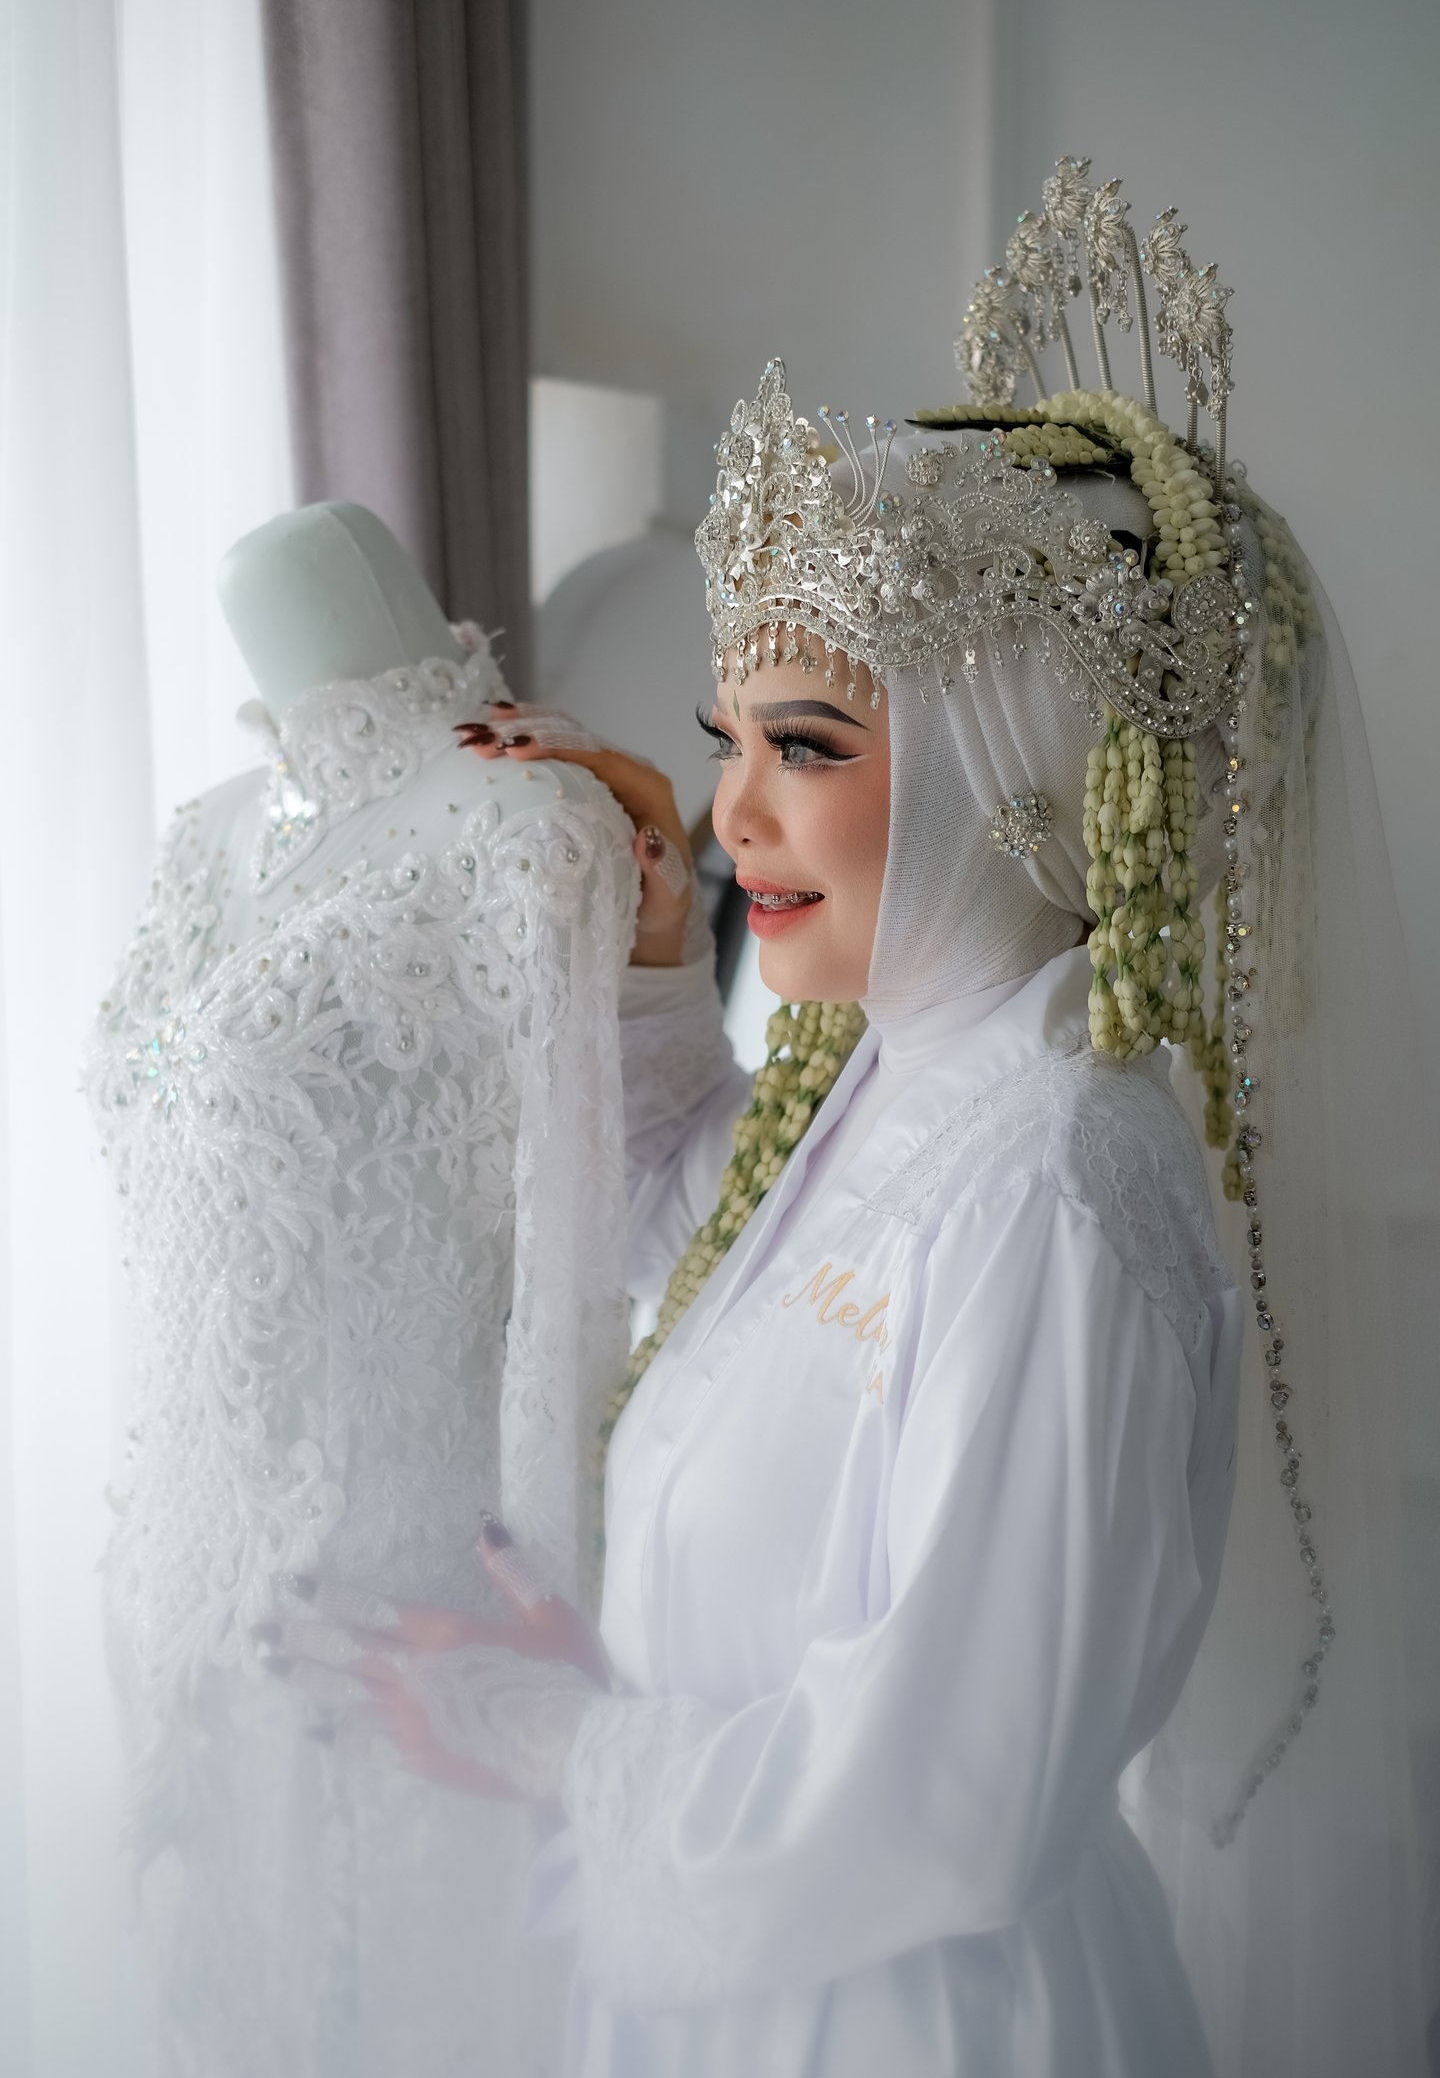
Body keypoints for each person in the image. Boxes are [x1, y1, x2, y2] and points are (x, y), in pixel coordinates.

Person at [268, 164, 1436, 2077]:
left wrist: (547, 1740)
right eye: (729, 741)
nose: (735, 815)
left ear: (1019, 762)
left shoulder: (1061, 1181)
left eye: (808, 746)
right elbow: (706, 1268)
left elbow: (943, 1799)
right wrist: (662, 966)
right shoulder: (911, 1079)